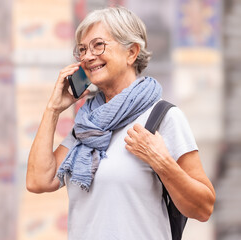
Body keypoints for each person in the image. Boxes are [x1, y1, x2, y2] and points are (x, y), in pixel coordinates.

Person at [26, 6, 215, 240]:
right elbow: (38, 180)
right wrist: (53, 109)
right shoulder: (87, 126)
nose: (87, 56)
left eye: (98, 45)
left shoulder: (162, 117)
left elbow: (203, 208)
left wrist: (161, 162)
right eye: (82, 49)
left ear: (132, 52)